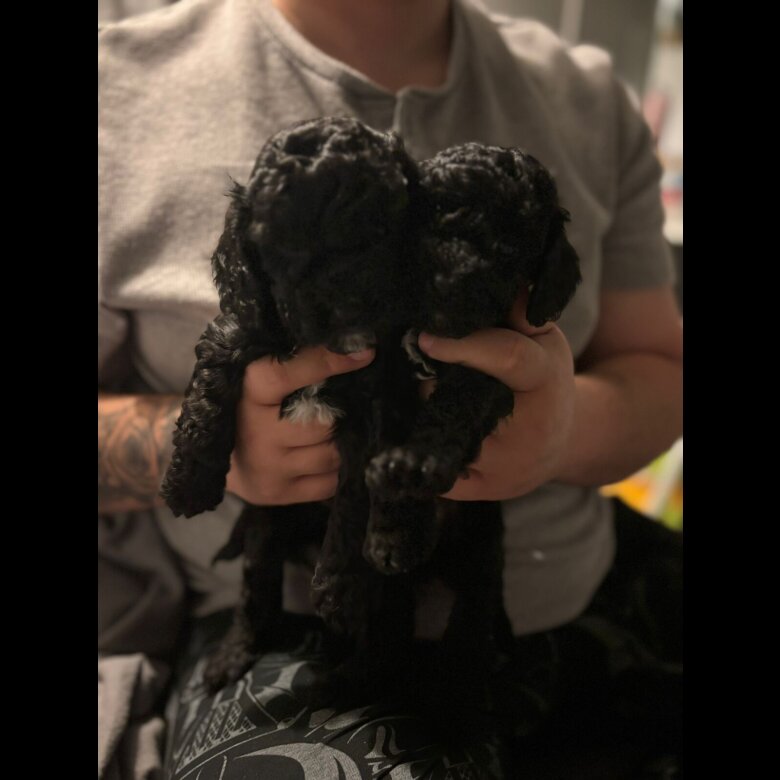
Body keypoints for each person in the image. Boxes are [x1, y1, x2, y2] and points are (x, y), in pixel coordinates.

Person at [98, 0, 683, 776]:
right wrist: (199, 443)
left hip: (572, 586)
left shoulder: (589, 96)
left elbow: (659, 368)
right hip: (293, 628)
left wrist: (567, 431)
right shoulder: (118, 85)